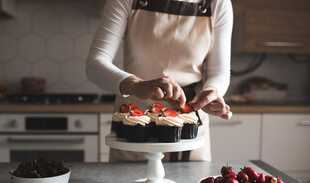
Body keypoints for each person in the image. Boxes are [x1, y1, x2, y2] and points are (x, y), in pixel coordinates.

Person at [86, 0, 233, 162]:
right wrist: (134, 85)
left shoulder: (218, 3)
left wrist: (212, 91)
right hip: (135, 121)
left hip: (189, 122)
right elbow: (95, 64)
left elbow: (219, 72)